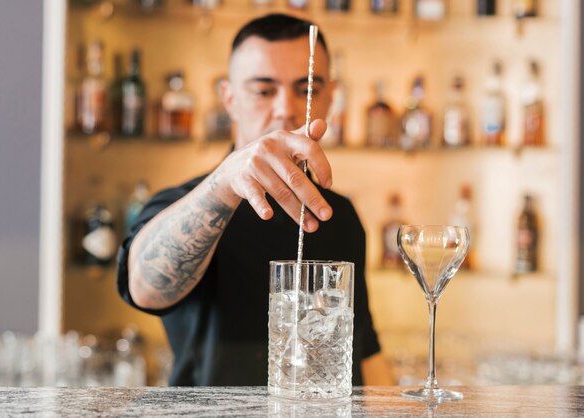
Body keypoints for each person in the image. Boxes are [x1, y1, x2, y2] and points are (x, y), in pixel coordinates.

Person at [117, 13, 395, 386]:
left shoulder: (340, 215)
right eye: (264, 91)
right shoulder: (185, 202)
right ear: (229, 99)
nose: (285, 109)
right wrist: (225, 185)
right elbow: (145, 288)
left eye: (306, 89)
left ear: (329, 97)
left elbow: (364, 351)